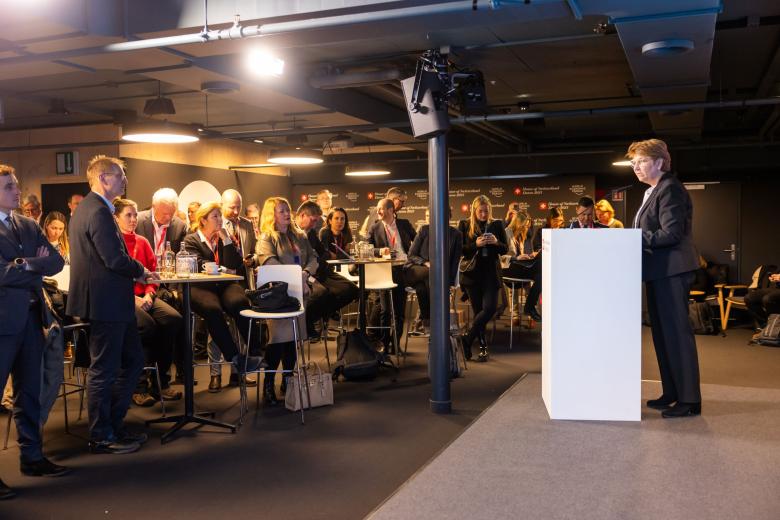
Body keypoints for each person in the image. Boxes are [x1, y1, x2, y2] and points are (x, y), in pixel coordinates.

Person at [67, 155, 158, 455]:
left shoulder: (93, 209)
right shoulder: (97, 211)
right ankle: (102, 434)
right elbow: (114, 259)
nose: (125, 180)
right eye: (120, 176)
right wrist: (142, 270)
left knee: (131, 362)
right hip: (105, 303)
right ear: (104, 178)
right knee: (105, 369)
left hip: (112, 302)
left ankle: (113, 425)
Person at [0, 164, 69, 499]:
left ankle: (32, 456)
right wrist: (31, 264)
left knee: (29, 391)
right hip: (2, 322)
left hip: (31, 317)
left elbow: (54, 262)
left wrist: (22, 265)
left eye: (15, 184)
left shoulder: (26, 225)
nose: (17, 190)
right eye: (9, 187)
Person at [628, 138, 701, 418]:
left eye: (642, 161)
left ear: (659, 162)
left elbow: (671, 234)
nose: (636, 167)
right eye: (633, 163)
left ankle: (689, 399)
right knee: (662, 335)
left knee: (677, 335)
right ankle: (672, 391)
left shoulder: (670, 189)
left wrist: (633, 237)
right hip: (658, 272)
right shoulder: (652, 191)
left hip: (672, 271)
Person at [182, 202, 265, 392]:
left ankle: (256, 351)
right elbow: (200, 264)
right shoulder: (191, 240)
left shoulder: (224, 238)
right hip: (201, 287)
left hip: (225, 284)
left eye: (220, 216)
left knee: (240, 303)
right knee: (213, 310)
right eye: (215, 217)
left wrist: (227, 241)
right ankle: (235, 357)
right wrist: (222, 268)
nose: (220, 220)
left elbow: (236, 264)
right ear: (203, 221)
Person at [113, 198, 183, 407]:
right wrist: (133, 298)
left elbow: (152, 276)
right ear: (115, 218)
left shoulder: (142, 242)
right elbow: (113, 279)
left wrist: (149, 295)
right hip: (123, 299)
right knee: (147, 327)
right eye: (128, 215)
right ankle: (139, 386)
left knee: (173, 320)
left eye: (135, 215)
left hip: (145, 297)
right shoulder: (113, 244)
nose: (134, 219)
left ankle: (161, 382)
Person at [256, 196, 319, 406]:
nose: (286, 214)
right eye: (281, 210)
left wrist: (306, 273)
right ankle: (268, 384)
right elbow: (269, 263)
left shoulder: (299, 235)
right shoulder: (266, 237)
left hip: (299, 294)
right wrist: (296, 275)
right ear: (271, 215)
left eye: (287, 210)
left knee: (293, 339)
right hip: (278, 297)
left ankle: (288, 381)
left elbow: (313, 258)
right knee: (277, 340)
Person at [458, 195, 508, 362]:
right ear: (474, 210)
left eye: (486, 211)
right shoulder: (464, 225)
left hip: (490, 274)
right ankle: (483, 348)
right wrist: (476, 245)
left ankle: (467, 339)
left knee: (489, 309)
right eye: (481, 211)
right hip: (472, 276)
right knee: (478, 311)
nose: (484, 214)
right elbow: (460, 250)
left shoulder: (497, 224)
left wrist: (495, 242)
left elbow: (505, 249)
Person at [297, 202, 358, 337]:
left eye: (316, 221)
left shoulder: (311, 233)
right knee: (322, 293)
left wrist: (320, 256)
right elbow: (320, 254)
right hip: (308, 274)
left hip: (323, 271)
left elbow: (323, 253)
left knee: (352, 290)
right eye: (313, 220)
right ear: (302, 216)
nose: (314, 225)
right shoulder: (294, 234)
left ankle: (318, 316)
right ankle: (309, 320)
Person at [367, 197, 416, 352]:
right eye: (377, 209)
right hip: (384, 271)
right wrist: (380, 251)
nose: (378, 211)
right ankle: (384, 344)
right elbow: (367, 248)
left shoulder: (404, 224)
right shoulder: (375, 228)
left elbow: (418, 241)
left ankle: (396, 344)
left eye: (381, 208)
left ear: (390, 210)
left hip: (403, 269)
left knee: (399, 311)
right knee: (386, 310)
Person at [404, 208, 463, 331]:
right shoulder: (424, 230)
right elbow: (411, 255)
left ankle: (427, 322)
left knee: (421, 289)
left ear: (449, 217)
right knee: (433, 272)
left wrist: (450, 282)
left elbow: (455, 261)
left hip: (436, 278)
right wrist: (425, 263)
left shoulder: (456, 235)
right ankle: (438, 318)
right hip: (416, 270)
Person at [502, 210, 542, 322]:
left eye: (528, 226)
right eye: (525, 226)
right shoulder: (506, 233)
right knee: (538, 272)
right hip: (509, 269)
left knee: (540, 276)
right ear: (518, 223)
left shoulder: (521, 236)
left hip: (519, 266)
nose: (527, 229)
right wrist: (516, 258)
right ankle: (529, 308)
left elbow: (520, 255)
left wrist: (530, 255)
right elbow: (500, 257)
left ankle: (529, 306)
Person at [136, 187, 188, 259]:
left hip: (168, 269)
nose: (168, 218)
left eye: (171, 214)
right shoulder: (137, 221)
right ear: (154, 207)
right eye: (165, 214)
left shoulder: (179, 226)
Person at [221, 189, 258, 287]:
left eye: (239, 207)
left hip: (245, 277)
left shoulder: (248, 224)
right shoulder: (217, 225)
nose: (236, 211)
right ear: (222, 205)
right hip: (225, 278)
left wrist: (253, 260)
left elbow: (256, 250)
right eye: (232, 207)